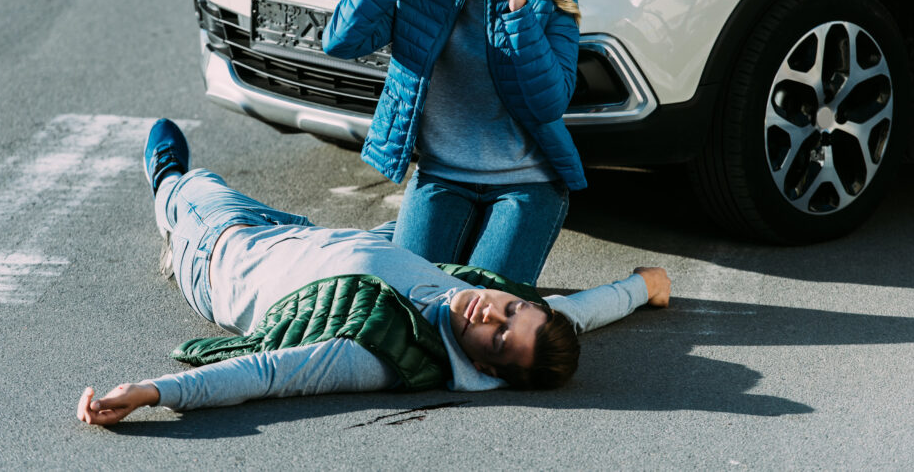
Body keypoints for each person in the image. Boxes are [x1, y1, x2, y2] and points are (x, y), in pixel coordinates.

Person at [76, 120, 670, 426]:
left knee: (194, 185)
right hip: (310, 234)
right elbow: (574, 311)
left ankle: (166, 189)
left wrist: (152, 393)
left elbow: (264, 373)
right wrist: (641, 288)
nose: (491, 309)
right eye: (512, 308)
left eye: (496, 334)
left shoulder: (376, 355)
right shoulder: (499, 314)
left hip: (223, 251)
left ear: (486, 368)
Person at [322, 0, 584, 286]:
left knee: (478, 311)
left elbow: (550, 102)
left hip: (527, 184)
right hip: (442, 176)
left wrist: (518, 14)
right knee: (408, 298)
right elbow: (340, 42)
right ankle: (398, 244)